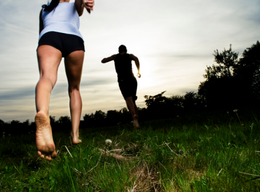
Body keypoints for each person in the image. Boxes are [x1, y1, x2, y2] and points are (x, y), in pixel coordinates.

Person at [35, 0, 94, 161]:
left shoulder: (45, 9)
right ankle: (75, 135)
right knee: (74, 88)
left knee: (46, 77)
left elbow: (42, 31)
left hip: (49, 36)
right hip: (73, 38)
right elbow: (80, 5)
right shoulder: (73, 3)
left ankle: (42, 112)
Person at [101, 45, 141, 129]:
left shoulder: (115, 57)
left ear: (119, 51)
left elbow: (103, 61)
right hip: (132, 79)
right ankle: (137, 121)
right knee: (133, 101)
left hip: (123, 80)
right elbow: (136, 58)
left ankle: (134, 116)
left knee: (128, 99)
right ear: (126, 50)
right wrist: (138, 71)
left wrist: (111, 58)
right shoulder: (129, 56)